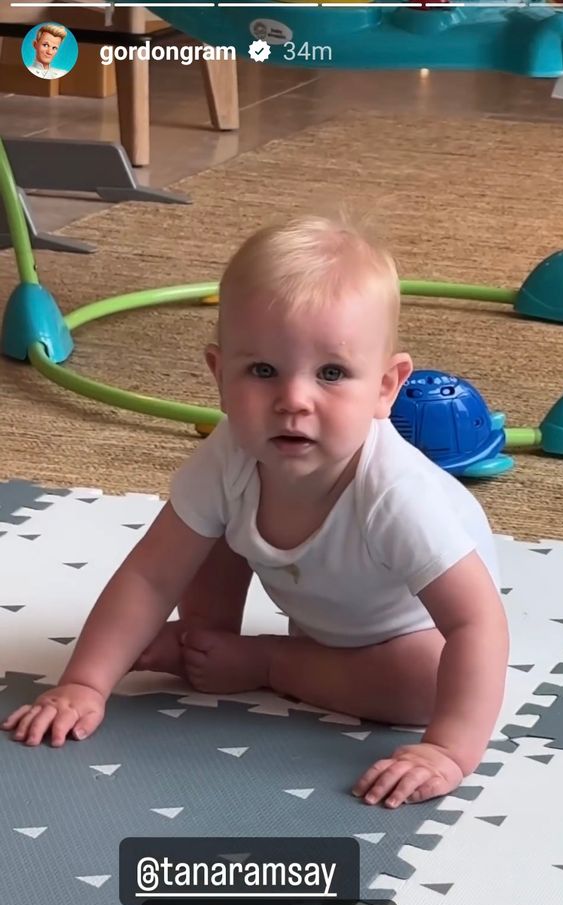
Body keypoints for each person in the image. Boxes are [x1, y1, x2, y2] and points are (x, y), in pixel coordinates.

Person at [2, 214, 509, 808]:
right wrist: (85, 683)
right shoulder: (230, 452)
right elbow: (152, 573)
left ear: (386, 387)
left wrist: (449, 750)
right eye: (263, 371)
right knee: (205, 525)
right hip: (322, 608)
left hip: (405, 636)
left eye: (332, 373)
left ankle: (268, 662)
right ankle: (208, 641)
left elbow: (478, 623)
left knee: (424, 682)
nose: (293, 400)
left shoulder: (397, 495)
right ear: (220, 376)